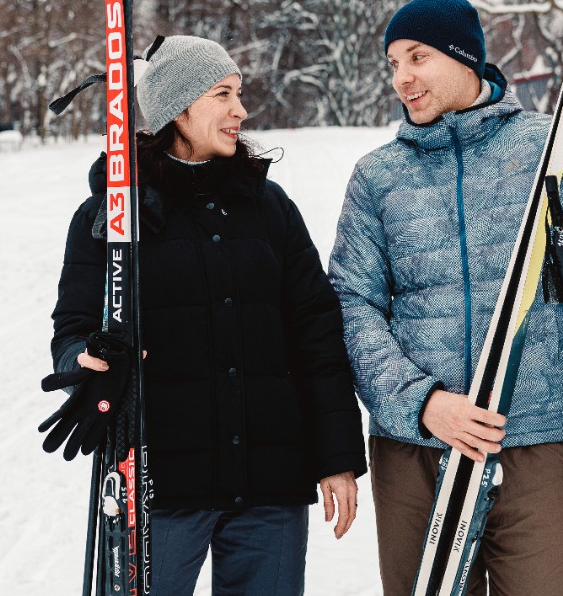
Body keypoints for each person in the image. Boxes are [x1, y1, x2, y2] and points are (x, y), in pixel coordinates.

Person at [328, 0, 563, 595]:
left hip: (537, 441)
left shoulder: (551, 154)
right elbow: (352, 305)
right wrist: (422, 403)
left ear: (464, 57)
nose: (402, 78)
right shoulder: (378, 177)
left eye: (417, 57)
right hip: (416, 451)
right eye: (393, 63)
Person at [50, 35, 367, 596]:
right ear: (181, 107)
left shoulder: (269, 208)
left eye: (239, 93)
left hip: (270, 485)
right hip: (157, 487)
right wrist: (88, 358)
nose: (240, 111)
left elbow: (317, 332)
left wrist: (337, 457)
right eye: (223, 94)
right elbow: (72, 330)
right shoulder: (111, 217)